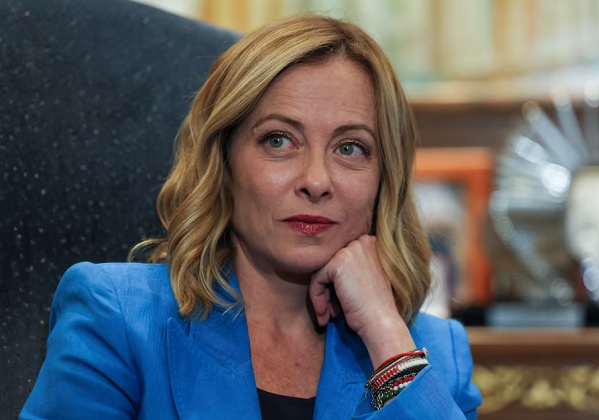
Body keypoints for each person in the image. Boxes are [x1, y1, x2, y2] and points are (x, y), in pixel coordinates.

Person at [21, 14, 482, 419]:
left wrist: (385, 334)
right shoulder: (118, 317)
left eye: (350, 148)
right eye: (279, 140)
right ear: (223, 161)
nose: (316, 180)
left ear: (385, 178)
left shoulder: (435, 354)